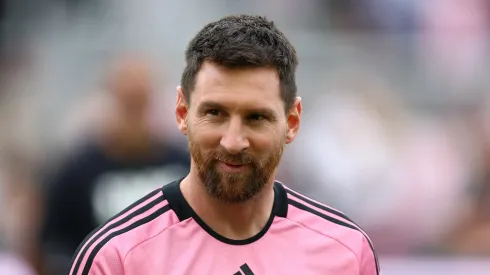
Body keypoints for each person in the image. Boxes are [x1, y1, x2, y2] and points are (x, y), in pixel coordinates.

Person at [69, 15, 379, 275]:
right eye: (215, 113)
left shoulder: (347, 253)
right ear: (182, 112)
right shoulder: (116, 258)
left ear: (293, 122)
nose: (233, 142)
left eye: (256, 117)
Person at [41, 56, 190, 275]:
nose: (134, 115)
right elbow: (54, 243)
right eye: (127, 103)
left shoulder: (181, 163)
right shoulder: (78, 170)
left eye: (141, 102)